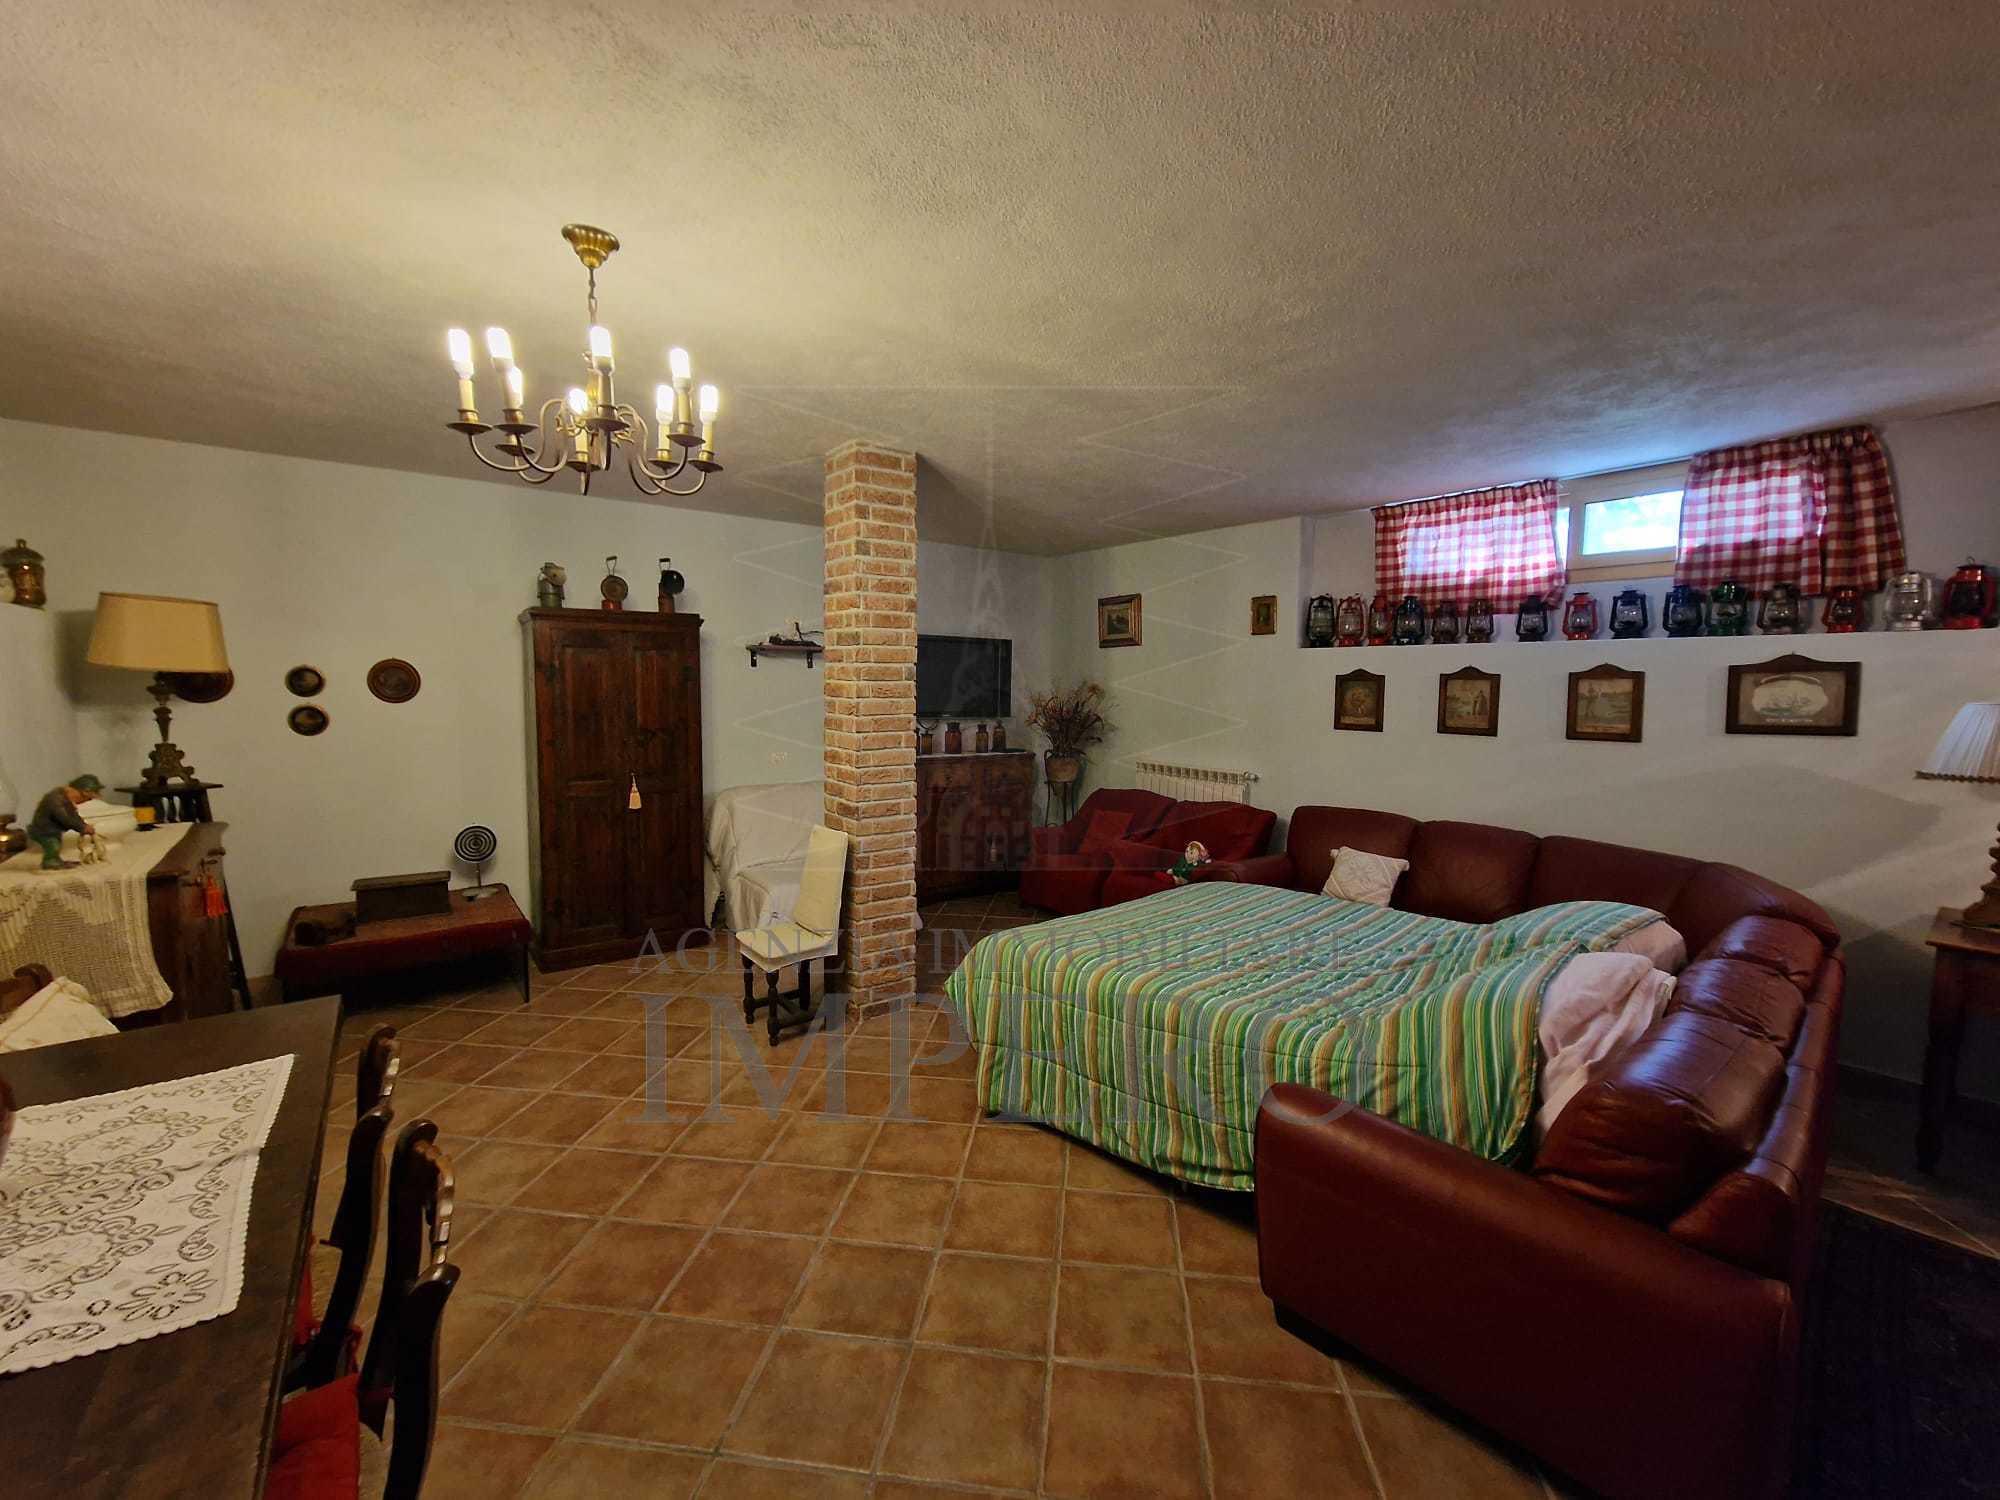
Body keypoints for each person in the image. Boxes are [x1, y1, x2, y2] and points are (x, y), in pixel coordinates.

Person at [28, 774, 102, 870]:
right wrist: (82, 827)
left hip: (51, 830)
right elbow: (65, 818)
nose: (85, 802)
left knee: (56, 844)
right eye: (87, 798)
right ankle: (50, 862)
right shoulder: (56, 800)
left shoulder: (65, 799)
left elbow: (73, 816)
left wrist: (83, 825)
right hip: (43, 830)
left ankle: (56, 860)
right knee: (53, 845)